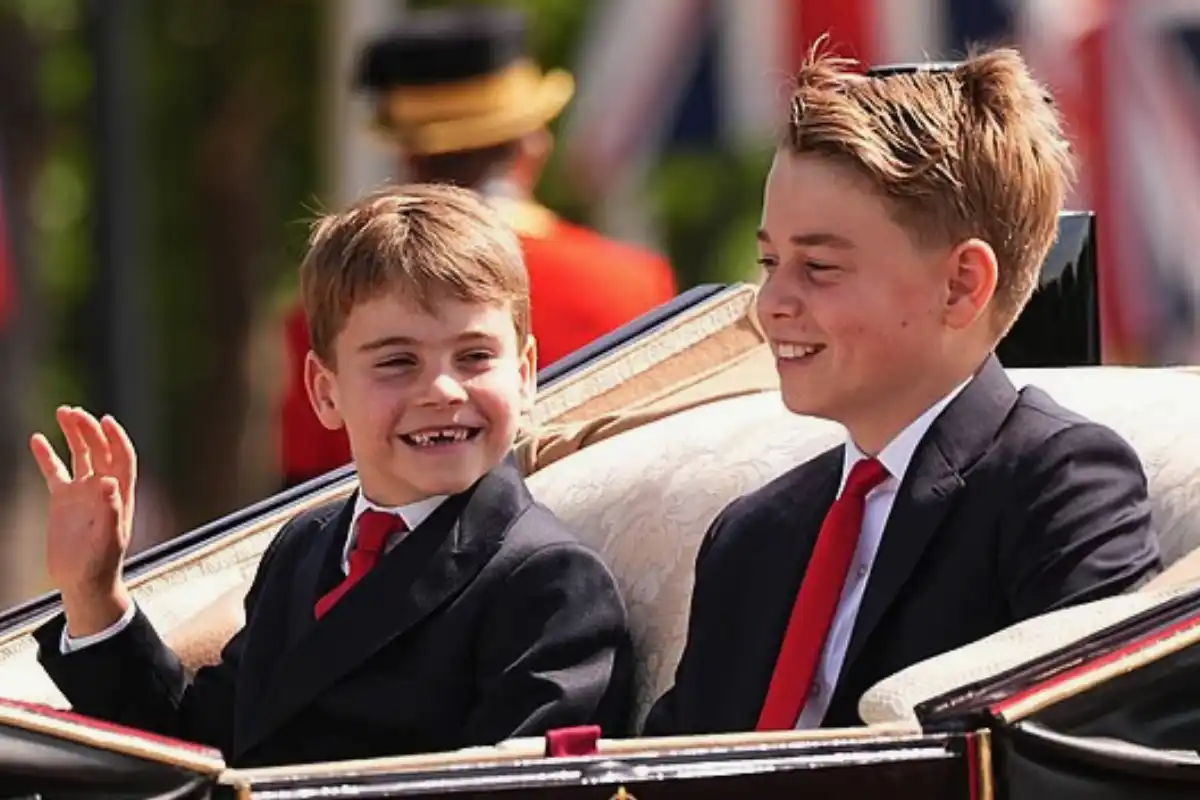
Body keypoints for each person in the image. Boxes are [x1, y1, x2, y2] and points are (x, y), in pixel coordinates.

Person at [642, 44, 1163, 736]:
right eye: (770, 261)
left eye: (819, 266)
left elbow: (1081, 757)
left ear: (961, 286)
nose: (771, 304)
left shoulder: (1058, 486)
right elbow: (671, 765)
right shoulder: (754, 534)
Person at [30, 183, 634, 767]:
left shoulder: (548, 584)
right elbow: (198, 750)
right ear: (325, 392)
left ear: (525, 375)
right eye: (398, 363)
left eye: (475, 356)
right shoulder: (305, 547)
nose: (444, 390)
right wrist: (93, 593)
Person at [279, 7, 678, 488]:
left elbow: (302, 494)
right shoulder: (635, 283)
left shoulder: (330, 311)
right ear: (532, 147)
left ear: (407, 157)